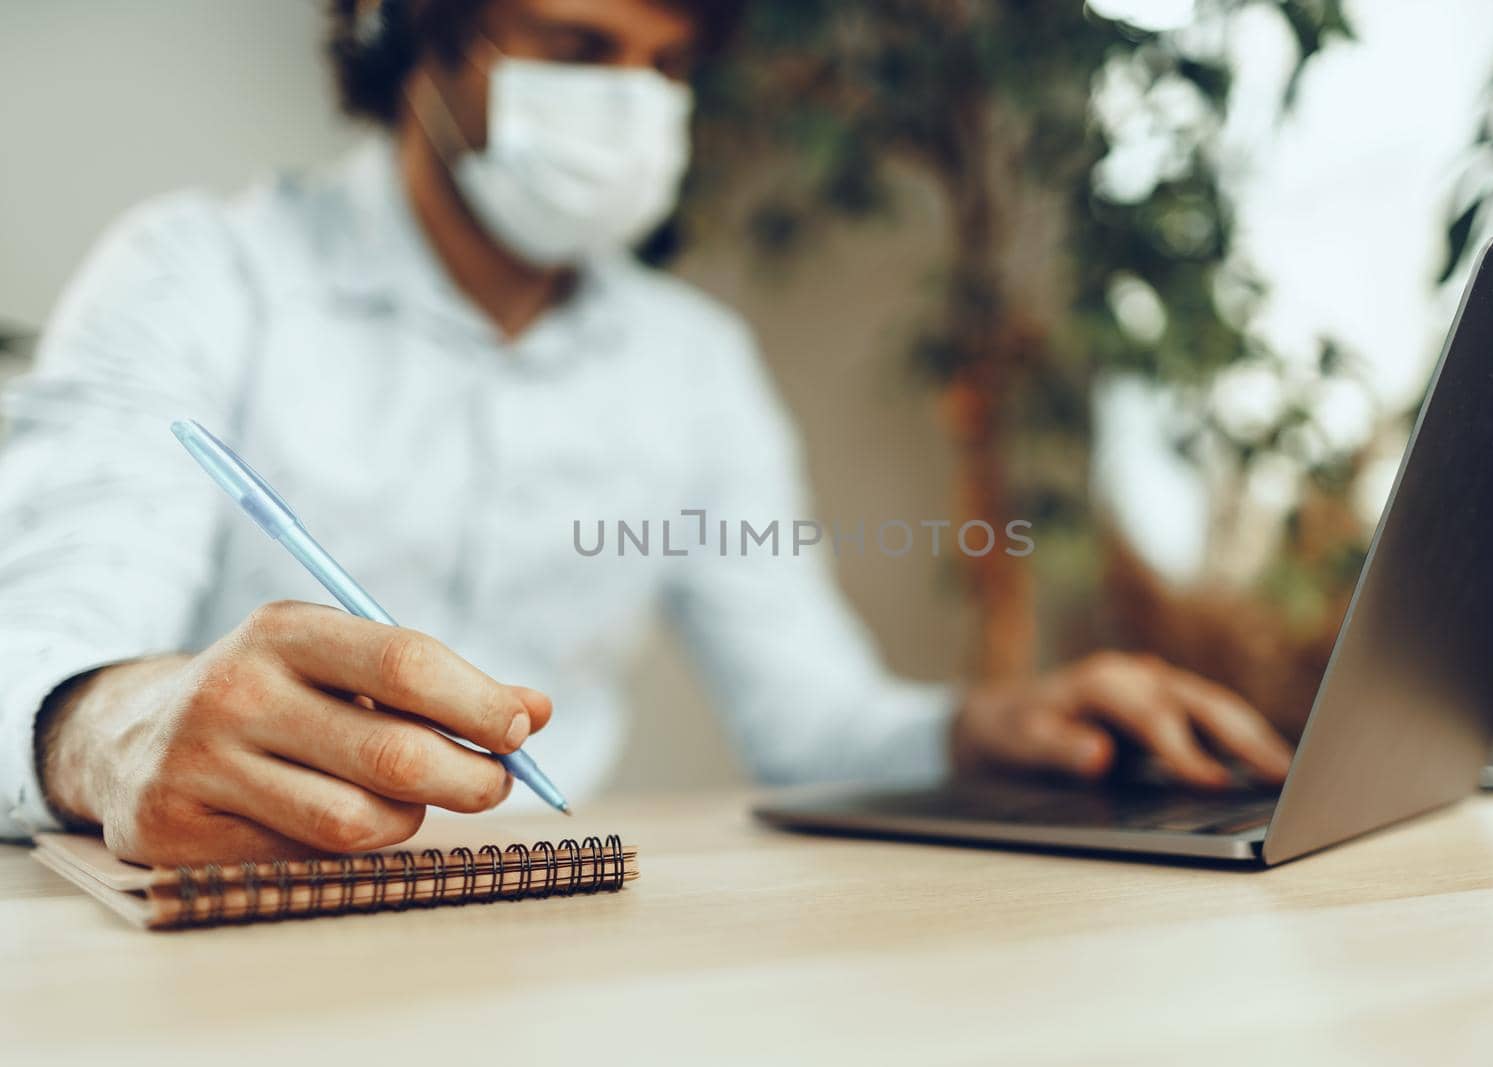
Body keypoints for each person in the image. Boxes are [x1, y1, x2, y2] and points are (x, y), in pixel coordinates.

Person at [0, 0, 1292, 865]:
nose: (630, 104)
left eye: (665, 67)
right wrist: (107, 727)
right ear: (416, 39)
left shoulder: (692, 362)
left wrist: (987, 731)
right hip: (229, 956)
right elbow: (33, 660)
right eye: (576, 46)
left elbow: (814, 727)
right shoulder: (197, 276)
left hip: (547, 938)